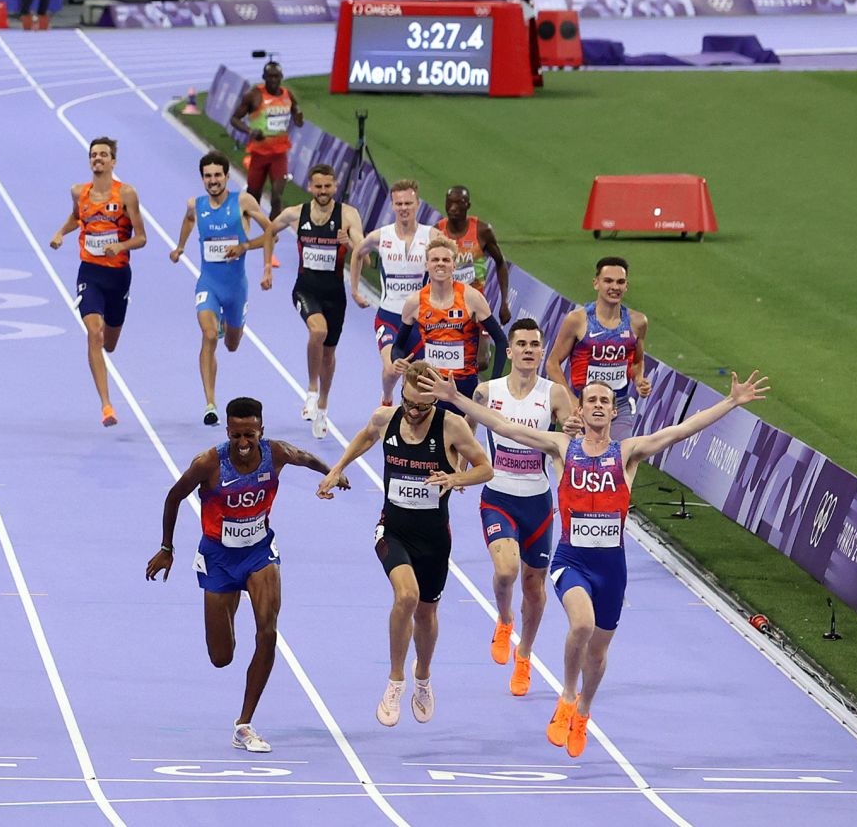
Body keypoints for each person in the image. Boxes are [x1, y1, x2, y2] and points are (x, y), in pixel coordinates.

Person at [423, 368, 769, 757]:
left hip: (612, 568)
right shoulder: (560, 447)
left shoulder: (627, 453)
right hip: (572, 560)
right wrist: (456, 399)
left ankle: (583, 710)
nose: (599, 406)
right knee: (581, 623)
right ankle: (567, 697)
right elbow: (504, 425)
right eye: (592, 401)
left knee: (599, 654)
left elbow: (682, 430)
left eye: (606, 401)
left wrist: (730, 402)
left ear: (613, 411)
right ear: (581, 410)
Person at [146, 397, 349, 753]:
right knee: (221, 657)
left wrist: (331, 473)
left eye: (250, 435)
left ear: (261, 431)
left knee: (268, 632)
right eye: (237, 435)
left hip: (259, 553)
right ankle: (231, 605)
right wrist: (166, 548)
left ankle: (244, 724)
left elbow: (305, 457)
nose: (243, 443)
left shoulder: (276, 453)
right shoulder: (208, 463)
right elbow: (174, 497)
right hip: (218, 558)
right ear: (228, 431)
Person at [317, 361, 493, 726]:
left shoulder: (451, 426)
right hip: (392, 529)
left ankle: (422, 676)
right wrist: (337, 468)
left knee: (427, 613)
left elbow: (485, 468)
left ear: (434, 401)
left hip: (434, 538)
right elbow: (366, 435)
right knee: (407, 596)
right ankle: (395, 679)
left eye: (421, 406)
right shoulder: (387, 418)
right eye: (408, 402)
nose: (413, 412)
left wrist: (454, 476)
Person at [474, 319, 578, 696]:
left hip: (538, 502)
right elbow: (464, 430)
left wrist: (573, 433)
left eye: (535, 344)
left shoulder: (555, 395)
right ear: (511, 350)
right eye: (522, 344)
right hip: (498, 496)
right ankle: (504, 620)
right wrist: (458, 467)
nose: (529, 350)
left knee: (534, 589)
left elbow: (569, 440)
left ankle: (525, 653)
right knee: (506, 570)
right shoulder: (488, 391)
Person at [48, 137, 147, 426]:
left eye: (103, 154)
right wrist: (59, 233)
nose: (98, 159)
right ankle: (106, 406)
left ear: (113, 161)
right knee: (94, 332)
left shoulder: (127, 194)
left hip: (118, 276)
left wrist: (121, 246)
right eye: (94, 155)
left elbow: (141, 237)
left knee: (110, 343)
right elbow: (76, 218)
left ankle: (103, 355)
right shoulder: (79, 192)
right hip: (90, 273)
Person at [262, 164, 365, 439]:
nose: (322, 192)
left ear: (335, 186)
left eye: (327, 187)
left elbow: (364, 258)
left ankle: (322, 405)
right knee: (317, 331)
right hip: (305, 289)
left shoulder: (348, 215)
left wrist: (350, 243)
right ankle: (310, 390)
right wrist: (268, 268)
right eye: (317, 187)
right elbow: (270, 231)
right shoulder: (296, 214)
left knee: (329, 354)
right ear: (310, 186)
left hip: (335, 294)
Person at [170, 152, 270, 425]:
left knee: (232, 345)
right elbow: (189, 219)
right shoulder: (196, 204)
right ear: (202, 178)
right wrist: (180, 247)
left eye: (217, 175)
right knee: (209, 334)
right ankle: (210, 403)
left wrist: (250, 251)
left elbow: (270, 229)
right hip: (208, 284)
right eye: (207, 176)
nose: (213, 181)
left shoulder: (243, 202)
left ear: (227, 176)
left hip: (236, 288)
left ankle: (230, 323)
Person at [390, 235, 508, 408]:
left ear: (454, 266)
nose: (440, 264)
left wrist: (494, 383)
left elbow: (501, 340)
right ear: (426, 265)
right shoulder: (414, 302)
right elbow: (398, 347)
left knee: (461, 435)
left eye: (446, 260)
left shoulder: (472, 297)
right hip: (429, 385)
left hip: (464, 388)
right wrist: (397, 359)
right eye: (435, 259)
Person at [348, 179, 433, 406]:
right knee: (391, 368)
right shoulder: (381, 236)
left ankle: (409, 410)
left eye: (408, 203)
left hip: (420, 319)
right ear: (392, 206)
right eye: (399, 204)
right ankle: (387, 400)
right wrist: (355, 290)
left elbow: (449, 261)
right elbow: (357, 253)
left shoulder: (431, 236)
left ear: (417, 203)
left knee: (418, 376)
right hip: (389, 316)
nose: (404, 208)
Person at [546, 256, 650, 440]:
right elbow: (552, 364)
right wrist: (570, 400)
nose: (614, 287)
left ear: (626, 286)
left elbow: (636, 361)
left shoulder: (637, 322)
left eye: (620, 282)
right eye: (608, 281)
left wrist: (640, 379)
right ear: (596, 283)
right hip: (583, 405)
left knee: (618, 460)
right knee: (583, 463)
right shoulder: (577, 320)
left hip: (618, 407)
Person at [229, 60, 303, 222]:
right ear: (264, 77)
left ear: (281, 77)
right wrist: (250, 131)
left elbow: (298, 118)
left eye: (276, 77)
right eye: (270, 77)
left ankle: (271, 233)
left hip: (279, 154)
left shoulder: (287, 95)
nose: (273, 80)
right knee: (253, 197)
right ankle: (244, 229)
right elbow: (234, 119)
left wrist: (298, 116)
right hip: (259, 154)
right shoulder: (253, 95)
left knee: (277, 197)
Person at [434, 184, 511, 323]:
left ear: (468, 205)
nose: (452, 208)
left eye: (458, 203)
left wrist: (504, 302)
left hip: (474, 305)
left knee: (482, 343)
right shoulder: (437, 233)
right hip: (444, 304)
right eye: (449, 202)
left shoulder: (482, 231)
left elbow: (500, 262)